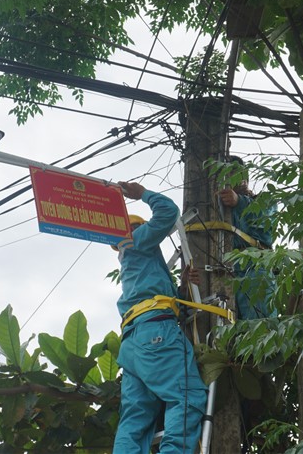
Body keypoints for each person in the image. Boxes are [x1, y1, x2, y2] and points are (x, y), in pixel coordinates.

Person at [113, 181, 207, 454]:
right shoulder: (136, 241)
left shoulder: (134, 264)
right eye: (140, 225)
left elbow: (157, 299)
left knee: (136, 417)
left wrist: (182, 287)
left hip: (134, 342)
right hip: (155, 334)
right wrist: (142, 195)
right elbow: (168, 212)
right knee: (187, 396)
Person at [217, 156, 277, 320]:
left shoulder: (263, 200)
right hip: (226, 271)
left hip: (255, 268)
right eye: (232, 175)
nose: (240, 180)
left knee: (260, 327)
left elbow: (265, 221)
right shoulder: (217, 207)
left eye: (242, 175)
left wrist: (239, 202)